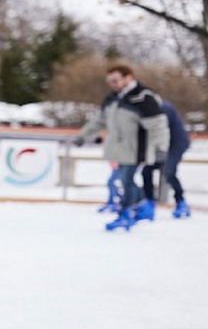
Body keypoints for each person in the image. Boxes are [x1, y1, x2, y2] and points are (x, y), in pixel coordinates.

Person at [72, 64, 170, 231]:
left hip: (136, 148)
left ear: (128, 77)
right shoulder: (112, 99)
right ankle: (143, 205)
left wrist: (160, 148)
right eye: (110, 81)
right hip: (119, 148)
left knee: (125, 180)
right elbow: (99, 121)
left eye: (116, 80)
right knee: (125, 180)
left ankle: (126, 213)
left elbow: (158, 125)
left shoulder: (143, 97)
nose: (113, 84)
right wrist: (83, 135)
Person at [139, 99, 192, 219]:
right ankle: (149, 202)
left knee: (168, 171)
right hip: (162, 144)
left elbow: (160, 130)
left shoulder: (163, 108)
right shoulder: (149, 108)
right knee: (146, 170)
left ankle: (181, 202)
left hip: (177, 144)